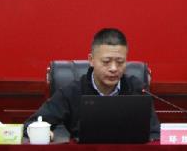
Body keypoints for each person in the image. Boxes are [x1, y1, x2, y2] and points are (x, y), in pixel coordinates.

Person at [23, 28, 160, 141]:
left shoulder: (138, 89)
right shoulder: (71, 92)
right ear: (91, 60)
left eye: (120, 62)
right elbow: (30, 125)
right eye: (106, 61)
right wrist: (45, 133)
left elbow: (155, 133)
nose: (114, 68)